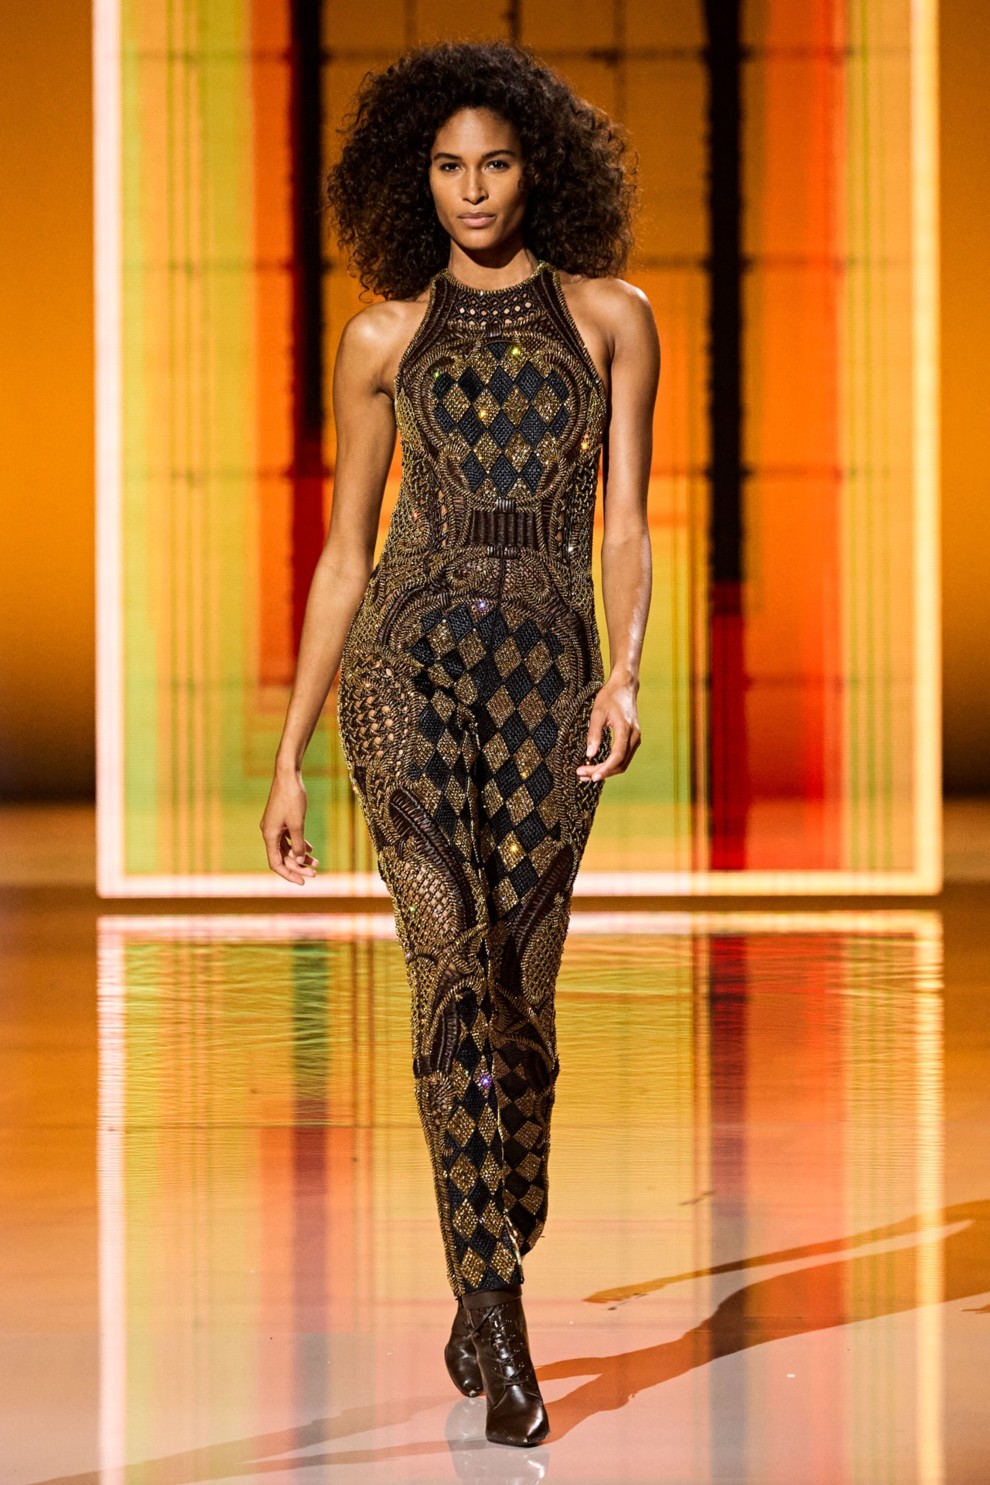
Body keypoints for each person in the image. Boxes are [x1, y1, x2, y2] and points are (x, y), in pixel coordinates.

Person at [260, 37, 659, 1448]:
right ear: (413, 179)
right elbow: (342, 556)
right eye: (446, 166)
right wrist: (291, 750)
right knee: (443, 960)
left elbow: (624, 524)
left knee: (518, 1007)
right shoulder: (381, 339)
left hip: (550, 684)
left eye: (494, 163)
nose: (472, 189)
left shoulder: (612, 319)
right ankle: (496, 1312)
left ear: (537, 169)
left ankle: (492, 1228)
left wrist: (623, 672)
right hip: (405, 674)